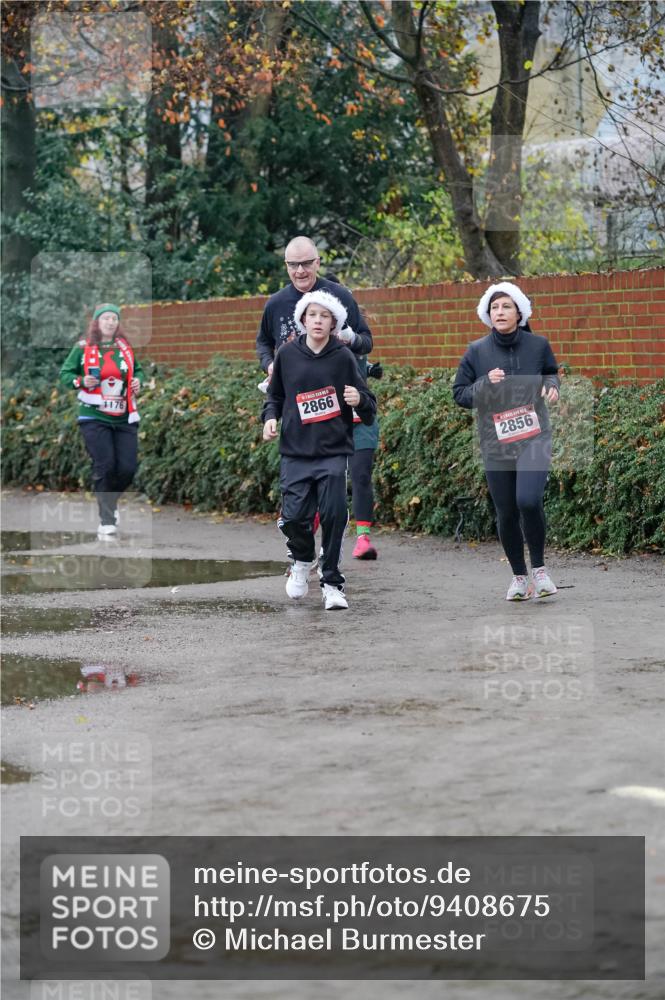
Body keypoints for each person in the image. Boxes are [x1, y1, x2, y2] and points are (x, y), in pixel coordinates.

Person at [256, 236, 381, 558]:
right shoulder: (275, 304)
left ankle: (357, 538)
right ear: (286, 266)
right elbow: (262, 342)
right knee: (306, 477)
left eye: (306, 263)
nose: (300, 271)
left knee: (359, 468)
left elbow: (366, 341)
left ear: (318, 262)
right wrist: (271, 367)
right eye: (293, 265)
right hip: (301, 407)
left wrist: (347, 337)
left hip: (344, 397)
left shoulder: (339, 295)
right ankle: (303, 542)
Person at [262, 289, 376, 610]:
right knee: (294, 518)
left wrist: (359, 401)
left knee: (333, 513)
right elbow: (274, 397)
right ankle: (302, 559)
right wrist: (270, 418)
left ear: (333, 324)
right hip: (295, 451)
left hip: (332, 450)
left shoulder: (342, 357)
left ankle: (332, 583)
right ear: (302, 319)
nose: (317, 320)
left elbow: (368, 405)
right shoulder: (286, 354)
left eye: (324, 316)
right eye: (312, 314)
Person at [453, 282, 560, 601]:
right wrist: (485, 383)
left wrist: (552, 385)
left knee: (528, 500)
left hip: (533, 437)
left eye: (506, 306)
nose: (499, 312)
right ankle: (519, 576)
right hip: (495, 441)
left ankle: (540, 570)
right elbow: (460, 394)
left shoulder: (538, 345)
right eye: (494, 307)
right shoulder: (477, 351)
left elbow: (551, 372)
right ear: (488, 314)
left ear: (519, 313)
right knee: (506, 512)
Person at [60, 304, 144, 539]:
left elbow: (138, 371)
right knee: (104, 466)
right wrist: (80, 381)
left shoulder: (124, 348)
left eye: (114, 318)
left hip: (125, 415)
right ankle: (106, 520)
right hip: (94, 415)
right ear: (97, 322)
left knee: (127, 468)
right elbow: (65, 374)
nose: (110, 322)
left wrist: (138, 381)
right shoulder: (83, 348)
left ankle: (110, 502)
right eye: (106, 318)